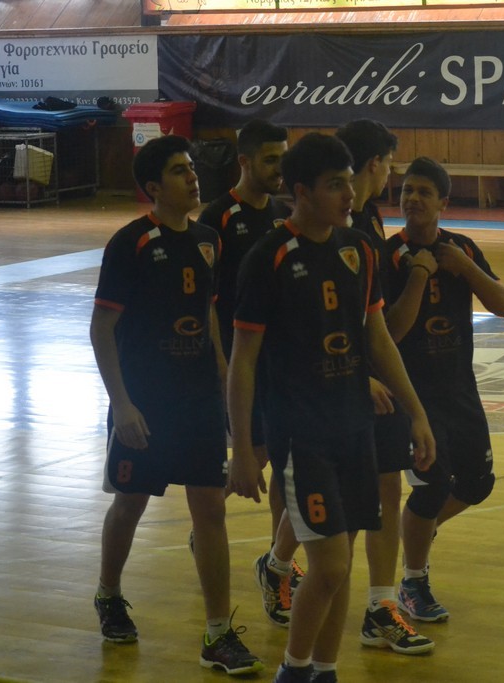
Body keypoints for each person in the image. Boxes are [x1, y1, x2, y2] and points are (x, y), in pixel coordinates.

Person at [226, 133, 436, 683]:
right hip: (302, 437)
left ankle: (324, 669)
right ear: (301, 192)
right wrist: (242, 447)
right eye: (335, 184)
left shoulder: (358, 250)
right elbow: (243, 361)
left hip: (355, 431)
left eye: (349, 181)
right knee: (330, 564)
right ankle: (293, 671)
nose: (349, 194)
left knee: (340, 567)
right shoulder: (269, 257)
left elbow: (378, 339)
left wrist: (416, 412)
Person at [89, 134, 263, 676]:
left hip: (198, 400)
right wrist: (122, 405)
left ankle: (217, 632)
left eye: (192, 168)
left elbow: (207, 310)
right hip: (145, 402)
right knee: (130, 504)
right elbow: (101, 329)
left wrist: (221, 372)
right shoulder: (131, 243)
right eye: (179, 171)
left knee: (210, 509)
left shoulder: (209, 240)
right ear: (153, 187)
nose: (192, 177)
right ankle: (109, 594)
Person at [383, 157, 504, 624]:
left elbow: (503, 305)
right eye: (407, 190)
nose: (413, 199)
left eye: (423, 192)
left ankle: (418, 530)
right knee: (432, 484)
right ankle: (412, 582)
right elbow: (390, 333)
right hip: (412, 395)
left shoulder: (462, 248)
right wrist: (419, 274)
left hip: (460, 386)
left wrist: (465, 267)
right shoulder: (387, 255)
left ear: (444, 202)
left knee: (478, 483)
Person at [196, 120, 305, 629]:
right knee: (255, 456)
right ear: (244, 162)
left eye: (283, 158)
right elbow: (206, 301)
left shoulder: (283, 215)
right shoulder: (218, 218)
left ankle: (276, 566)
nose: (279, 168)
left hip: (279, 363)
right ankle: (207, 524)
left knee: (280, 463)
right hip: (239, 361)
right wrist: (221, 363)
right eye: (270, 160)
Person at [337, 119, 434, 655]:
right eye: (391, 166)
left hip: (372, 379)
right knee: (343, 507)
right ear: (375, 163)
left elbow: (373, 323)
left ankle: (380, 606)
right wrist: (361, 376)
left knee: (386, 487)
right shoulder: (326, 233)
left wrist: (410, 405)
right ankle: (282, 569)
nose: (391, 176)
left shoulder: (369, 220)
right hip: (334, 389)